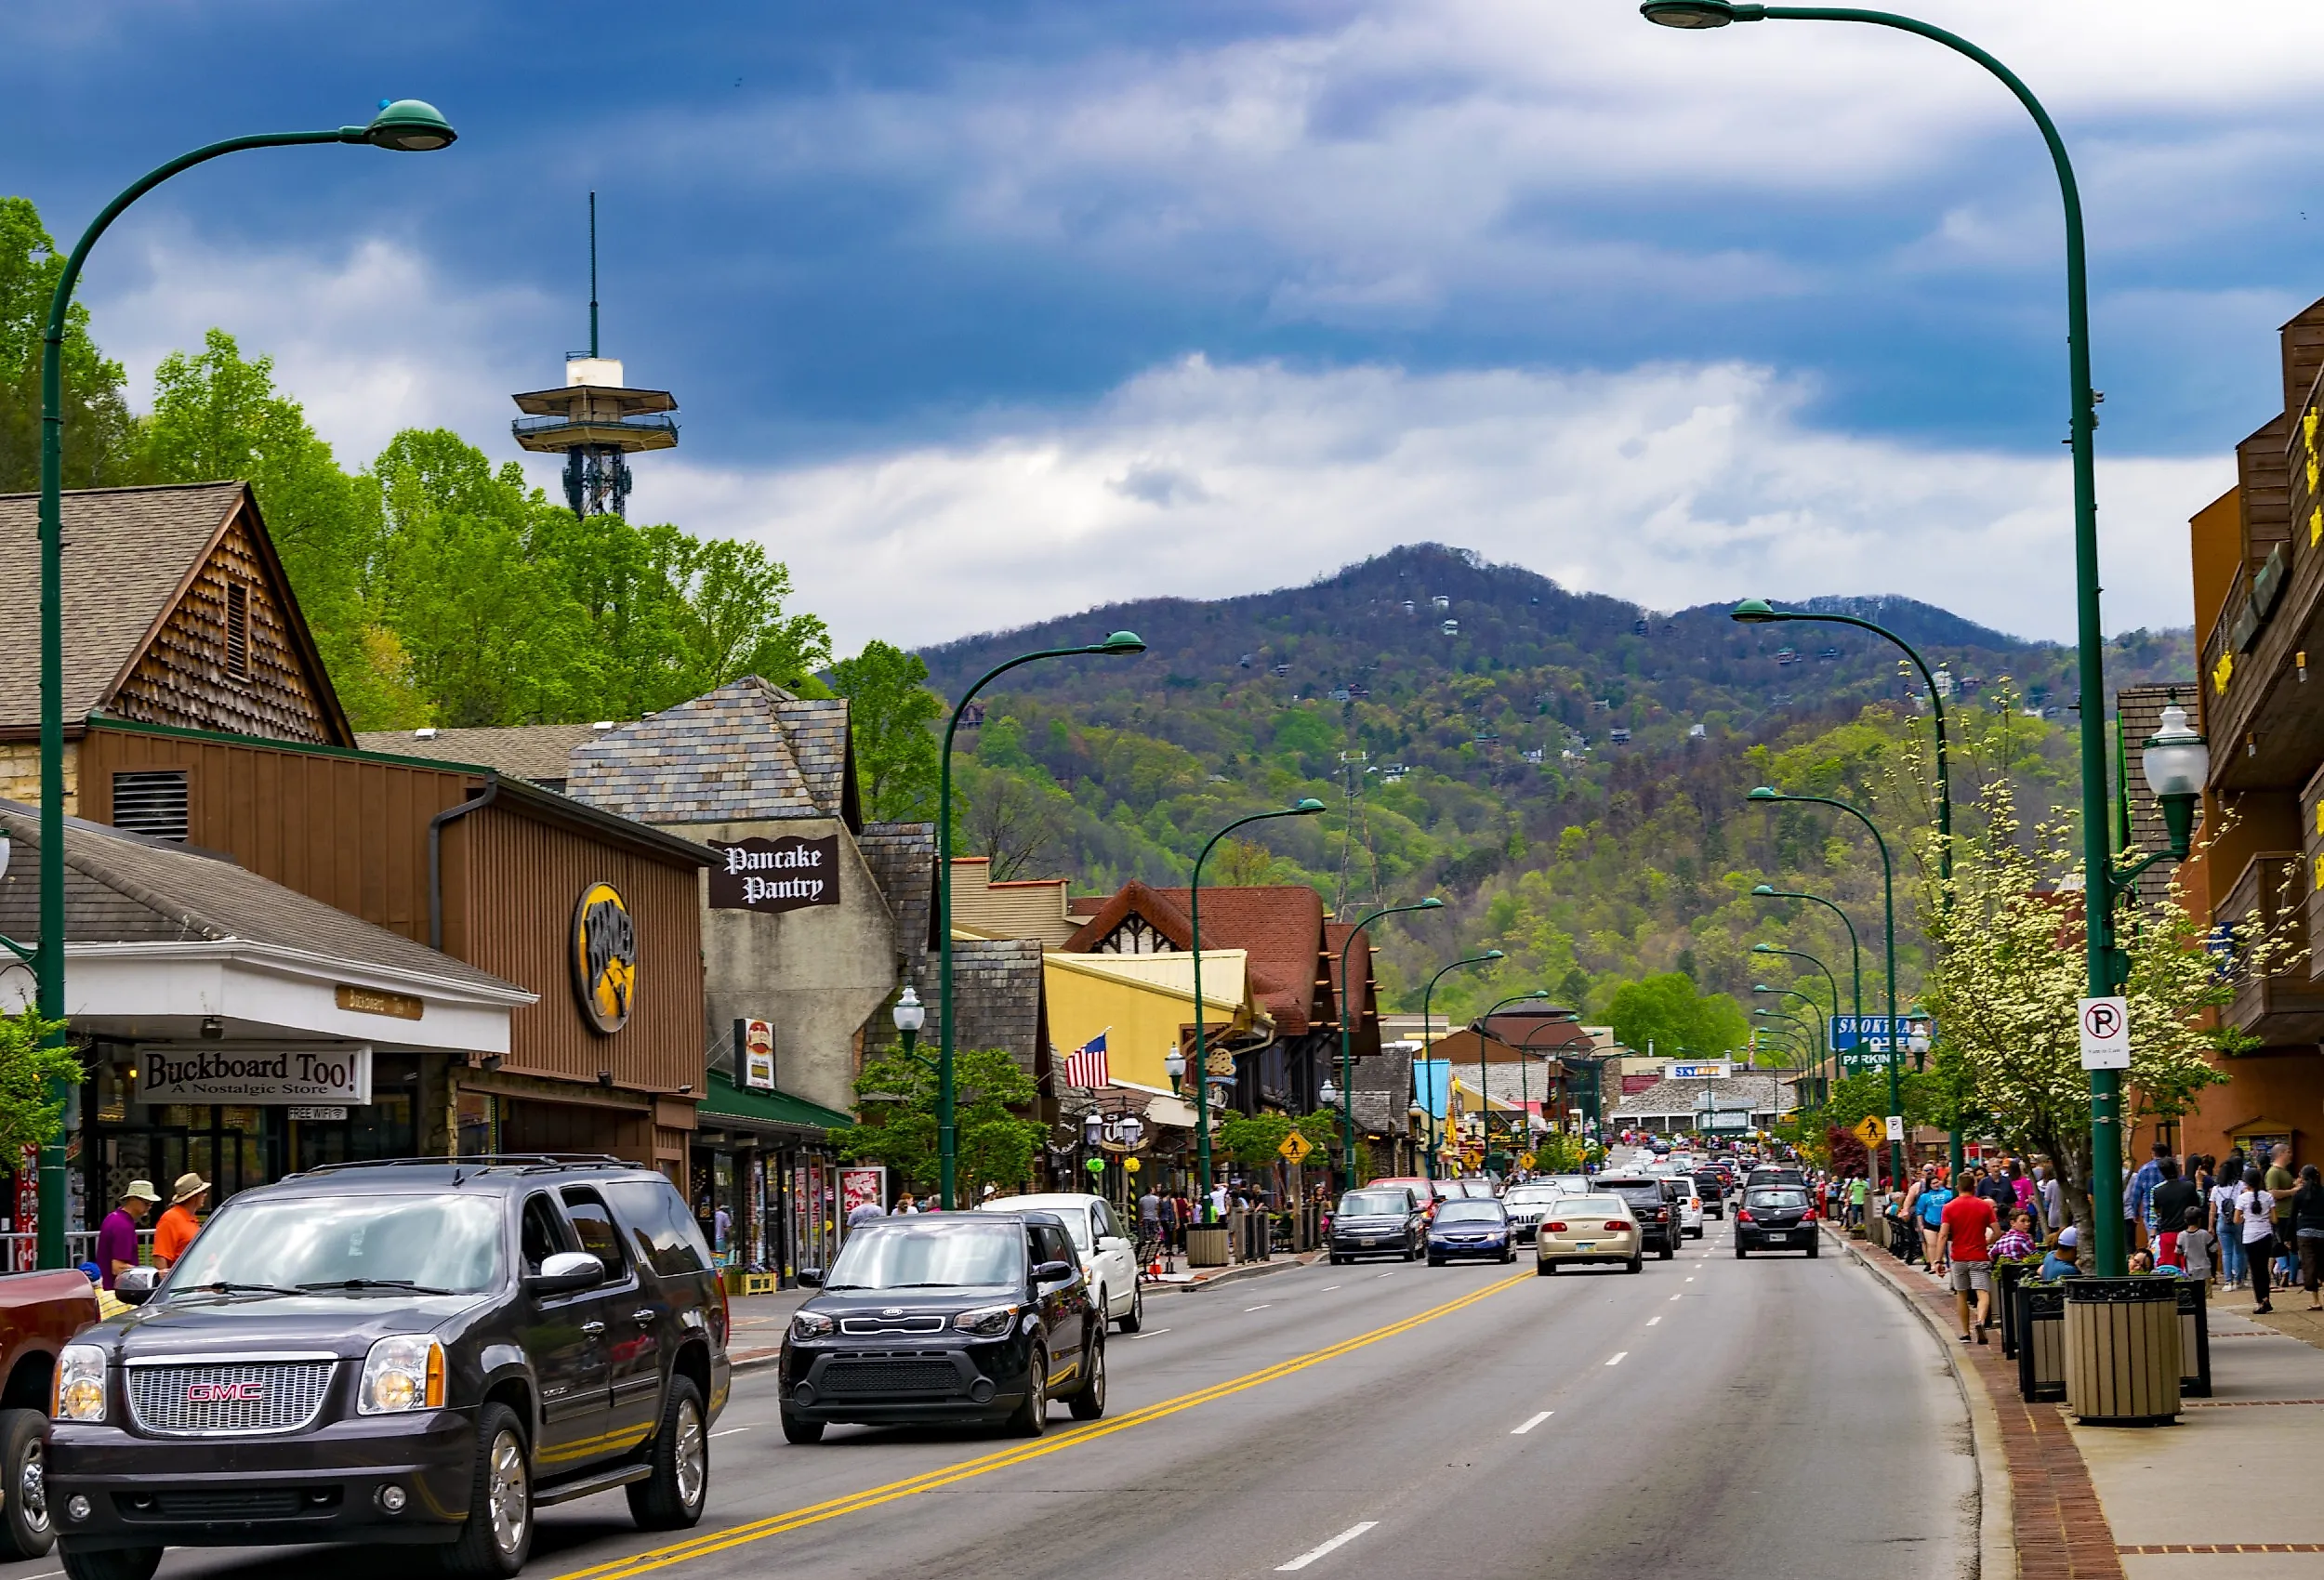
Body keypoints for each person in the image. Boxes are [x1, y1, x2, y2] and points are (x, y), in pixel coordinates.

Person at [1937, 1179, 2000, 1342]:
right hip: (1979, 1255)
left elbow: (1943, 1234)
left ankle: (1965, 1333)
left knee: (1962, 1294)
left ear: (1958, 1187)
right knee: (1982, 1292)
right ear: (1974, 1187)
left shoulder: (1949, 1207)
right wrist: (1988, 1242)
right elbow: (1997, 1231)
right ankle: (1980, 1320)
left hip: (1959, 1256)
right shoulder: (1984, 1206)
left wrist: (1938, 1260)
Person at [97, 1180, 158, 1291]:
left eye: (151, 1203)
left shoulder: (113, 1218)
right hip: (118, 1293)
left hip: (109, 1290)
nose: (149, 1206)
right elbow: (118, 1268)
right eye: (146, 1202)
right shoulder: (123, 1226)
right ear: (132, 1199)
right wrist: (150, 1275)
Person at [2235, 1167, 2278, 1315]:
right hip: (2266, 1235)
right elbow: (2274, 1219)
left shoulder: (2242, 1198)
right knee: (2264, 1269)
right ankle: (2266, 1298)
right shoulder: (2268, 1197)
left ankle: (2260, 1301)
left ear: (2246, 1182)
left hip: (2250, 1236)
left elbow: (2236, 1220)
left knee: (2255, 1270)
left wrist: (2245, 1218)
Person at [152, 1173, 209, 1269]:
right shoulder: (170, 1218)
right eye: (203, 1191)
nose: (205, 1195)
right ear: (194, 1196)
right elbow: (160, 1257)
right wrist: (167, 1282)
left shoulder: (191, 1218)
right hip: (183, 1281)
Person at [2265, 1144, 2299, 1288]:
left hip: (2289, 1214)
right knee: (2280, 1244)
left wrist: (2294, 1185)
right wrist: (2293, 1190)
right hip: (2280, 1214)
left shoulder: (2285, 1172)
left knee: (2292, 1246)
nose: (2291, 1154)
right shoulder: (2273, 1172)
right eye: (2288, 1152)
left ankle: (2290, 1276)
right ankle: (2286, 1271)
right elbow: (2272, 1193)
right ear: (2281, 1153)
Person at [2128, 1139, 2170, 1250]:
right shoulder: (2170, 1168)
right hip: (2169, 1211)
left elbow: (2136, 1193)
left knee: (2154, 1242)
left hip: (2149, 1210)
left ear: (2152, 1153)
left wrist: (2135, 1211)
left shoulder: (2144, 1169)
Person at [2292, 1164, 2324, 1310]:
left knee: (2309, 1264)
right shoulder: (2323, 1192)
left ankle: (2316, 1300)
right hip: (2321, 1230)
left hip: (2304, 1231)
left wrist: (2288, 1237)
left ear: (2302, 1178)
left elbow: (2292, 1216)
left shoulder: (2299, 1194)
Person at [2212, 1163, 2249, 1289]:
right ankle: (2239, 1280)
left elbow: (2213, 1209)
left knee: (2226, 1252)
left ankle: (2228, 1281)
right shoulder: (2239, 1185)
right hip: (2238, 1218)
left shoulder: (2216, 1189)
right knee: (2239, 1251)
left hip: (2222, 1220)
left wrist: (2210, 1226)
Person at [1916, 1169, 1957, 1275]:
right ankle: (1933, 1265)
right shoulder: (1924, 1196)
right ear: (1929, 1185)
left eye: (1937, 1182)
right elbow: (1920, 1211)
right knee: (1932, 1244)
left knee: (1944, 1245)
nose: (1936, 1185)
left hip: (1944, 1222)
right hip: (1929, 1222)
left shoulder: (1948, 1193)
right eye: (1933, 1183)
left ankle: (1946, 1264)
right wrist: (1920, 1224)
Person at [2176, 1205, 2215, 1285]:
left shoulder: (2181, 1235)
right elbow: (2214, 1249)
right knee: (2205, 1295)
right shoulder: (2204, 1234)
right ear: (2199, 1220)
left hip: (2190, 1271)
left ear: (2185, 1220)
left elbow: (2178, 1251)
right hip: (2205, 1271)